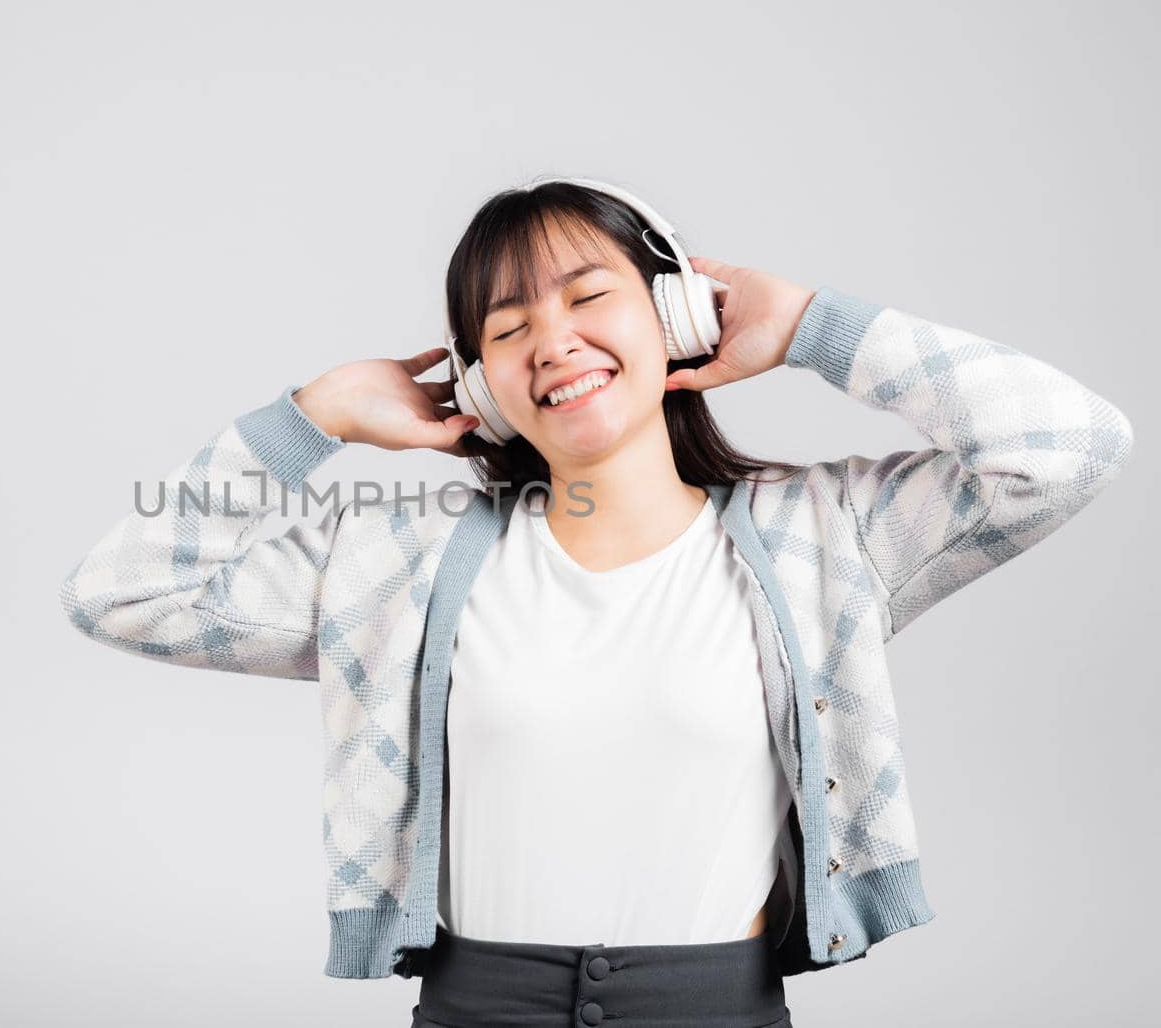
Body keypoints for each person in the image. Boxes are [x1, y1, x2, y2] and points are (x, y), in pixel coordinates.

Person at [60, 178, 1134, 1026]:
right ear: (479, 383)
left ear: (671, 314)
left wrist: (812, 326)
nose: (551, 340)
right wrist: (312, 418)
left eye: (586, 296)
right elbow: (125, 591)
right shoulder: (399, 564)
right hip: (476, 1010)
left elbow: (1070, 445)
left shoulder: (820, 541)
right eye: (506, 324)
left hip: (716, 1013)